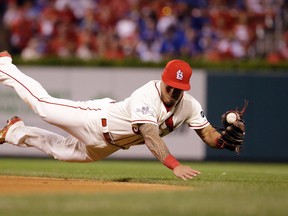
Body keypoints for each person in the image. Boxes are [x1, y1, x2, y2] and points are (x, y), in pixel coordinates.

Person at [0, 51, 244, 180]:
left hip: (108, 145)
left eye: (178, 89)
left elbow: (208, 133)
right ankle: (6, 66)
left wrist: (222, 141)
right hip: (95, 119)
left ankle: (15, 131)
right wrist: (175, 166)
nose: (172, 91)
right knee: (43, 105)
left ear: (185, 88)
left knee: (60, 151)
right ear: (162, 78)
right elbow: (150, 136)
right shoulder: (146, 95)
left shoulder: (189, 105)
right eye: (169, 84)